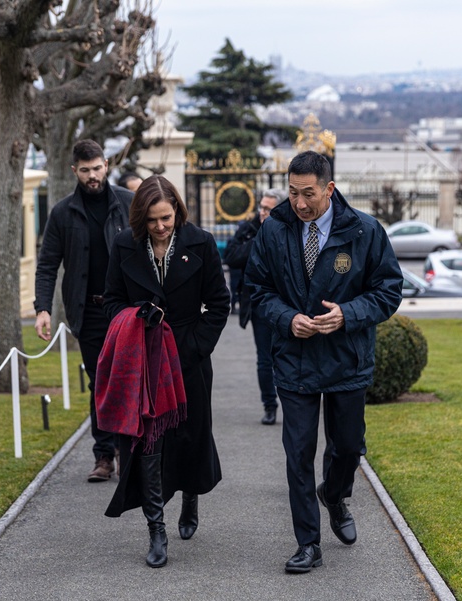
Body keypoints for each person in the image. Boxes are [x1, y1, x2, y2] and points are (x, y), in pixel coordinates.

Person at [244, 151, 403, 574]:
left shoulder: (366, 231)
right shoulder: (274, 230)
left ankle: (334, 495)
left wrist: (348, 315)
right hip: (294, 361)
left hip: (346, 359)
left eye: (308, 194)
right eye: (293, 193)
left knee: (348, 446)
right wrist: (287, 318)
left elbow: (389, 290)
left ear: (329, 189)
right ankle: (308, 543)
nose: (299, 203)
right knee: (297, 452)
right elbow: (256, 290)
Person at [101, 175, 230, 568]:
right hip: (144, 362)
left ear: (177, 211)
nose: (160, 226)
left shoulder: (201, 243)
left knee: (191, 435)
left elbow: (220, 304)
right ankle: (155, 528)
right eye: (153, 220)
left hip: (188, 359)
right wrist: (134, 317)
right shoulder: (124, 244)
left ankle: (190, 496)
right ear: (141, 217)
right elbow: (111, 301)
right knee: (147, 443)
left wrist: (192, 348)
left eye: (167, 218)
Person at [34, 139, 135, 483]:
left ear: (107, 165)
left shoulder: (127, 203)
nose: (93, 176)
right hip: (88, 312)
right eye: (86, 170)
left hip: (127, 311)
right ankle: (104, 455)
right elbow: (48, 264)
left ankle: (128, 449)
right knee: (101, 382)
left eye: (97, 168)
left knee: (129, 379)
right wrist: (42, 308)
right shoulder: (62, 213)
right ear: (74, 170)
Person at [222, 188, 287, 425]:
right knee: (264, 359)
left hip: (287, 305)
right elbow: (230, 256)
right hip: (259, 304)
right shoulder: (249, 229)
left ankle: (293, 404)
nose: (263, 212)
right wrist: (259, 240)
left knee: (286, 357)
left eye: (268, 209)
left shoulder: (290, 229)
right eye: (261, 207)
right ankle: (269, 405)